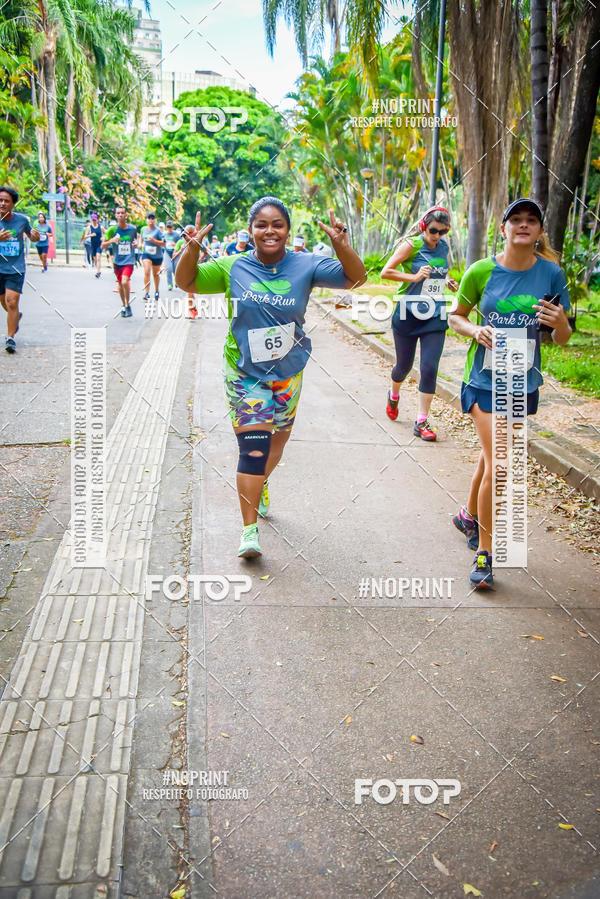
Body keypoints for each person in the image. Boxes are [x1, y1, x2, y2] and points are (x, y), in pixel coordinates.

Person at [175, 195, 366, 558]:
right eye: (261, 225)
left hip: (288, 371)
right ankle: (249, 531)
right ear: (250, 231)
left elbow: (356, 280)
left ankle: (261, 482)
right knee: (254, 448)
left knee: (276, 444)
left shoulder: (306, 264)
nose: (269, 231)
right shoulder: (232, 266)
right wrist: (192, 249)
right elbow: (187, 282)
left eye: (277, 224)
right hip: (244, 372)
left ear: (288, 230)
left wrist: (342, 246)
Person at [449, 198, 572, 589]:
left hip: (523, 382)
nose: (523, 224)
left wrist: (561, 323)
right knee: (501, 463)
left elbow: (563, 338)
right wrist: (475, 330)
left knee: (490, 459)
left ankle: (468, 515)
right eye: (515, 219)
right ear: (502, 228)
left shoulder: (551, 274)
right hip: (482, 381)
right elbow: (456, 316)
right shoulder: (480, 271)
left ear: (539, 231)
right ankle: (485, 554)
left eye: (531, 220)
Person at [381, 206, 459, 440]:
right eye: (433, 230)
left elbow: (440, 271)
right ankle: (394, 394)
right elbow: (386, 272)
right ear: (424, 226)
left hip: (435, 314)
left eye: (443, 232)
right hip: (408, 313)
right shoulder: (411, 245)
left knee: (429, 367)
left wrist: (448, 280)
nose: (437, 236)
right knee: (403, 367)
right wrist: (414, 277)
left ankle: (422, 421)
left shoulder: (443, 247)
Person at [0, 186, 40, 353]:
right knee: (4, 302)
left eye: (6, 201)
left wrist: (35, 236)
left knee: (12, 301)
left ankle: (10, 338)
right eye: (0, 200)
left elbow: (32, 235)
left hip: (15, 268)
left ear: (13, 204)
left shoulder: (22, 220)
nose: (2, 203)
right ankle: (15, 317)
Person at [102, 205, 138, 317]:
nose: (120, 215)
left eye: (122, 213)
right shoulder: (112, 230)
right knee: (120, 285)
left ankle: (128, 304)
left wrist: (136, 244)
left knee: (124, 281)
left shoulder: (132, 229)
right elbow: (103, 245)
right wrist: (112, 240)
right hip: (117, 261)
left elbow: (136, 241)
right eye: (118, 213)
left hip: (129, 260)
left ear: (126, 215)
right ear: (115, 215)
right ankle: (124, 305)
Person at [172, 226, 204, 318]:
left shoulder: (197, 241)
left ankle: (192, 310)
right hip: (183, 269)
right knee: (189, 291)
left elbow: (205, 252)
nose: (187, 234)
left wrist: (200, 258)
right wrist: (181, 250)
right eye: (185, 232)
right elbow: (173, 256)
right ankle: (192, 310)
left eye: (190, 232)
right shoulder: (180, 242)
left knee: (190, 291)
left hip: (194, 268)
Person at [141, 212, 165, 301]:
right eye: (149, 218)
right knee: (147, 271)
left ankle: (157, 290)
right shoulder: (144, 230)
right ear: (146, 220)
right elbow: (141, 240)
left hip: (157, 256)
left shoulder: (158, 231)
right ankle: (147, 293)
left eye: (152, 218)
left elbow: (164, 243)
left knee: (155, 274)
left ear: (155, 220)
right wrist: (139, 245)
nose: (151, 220)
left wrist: (154, 241)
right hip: (146, 254)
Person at [163, 221, 182, 291]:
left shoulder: (177, 235)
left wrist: (175, 244)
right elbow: (163, 243)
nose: (169, 228)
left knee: (176, 268)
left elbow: (181, 244)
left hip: (176, 253)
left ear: (173, 227)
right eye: (168, 227)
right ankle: (170, 284)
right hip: (167, 252)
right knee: (168, 268)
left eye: (170, 227)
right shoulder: (164, 234)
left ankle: (177, 281)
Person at [89, 213, 104, 278]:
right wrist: (91, 235)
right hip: (93, 245)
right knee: (95, 259)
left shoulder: (101, 227)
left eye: (95, 220)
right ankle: (98, 269)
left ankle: (98, 272)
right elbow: (85, 236)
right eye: (93, 220)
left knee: (98, 258)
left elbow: (106, 234)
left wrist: (103, 238)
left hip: (99, 244)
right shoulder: (89, 227)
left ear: (97, 220)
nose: (94, 221)